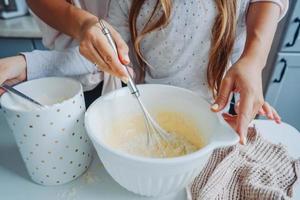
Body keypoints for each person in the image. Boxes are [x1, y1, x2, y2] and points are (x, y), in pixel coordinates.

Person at [0, 0, 288, 144]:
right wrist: (27, 65)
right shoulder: (130, 4)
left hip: (222, 121)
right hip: (145, 124)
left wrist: (253, 60)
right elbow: (102, 59)